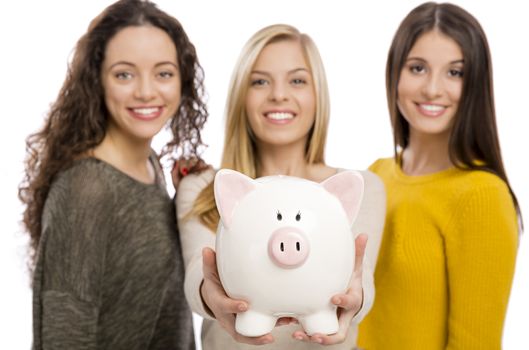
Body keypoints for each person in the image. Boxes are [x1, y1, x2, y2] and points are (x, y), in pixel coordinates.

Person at [176, 24, 385, 349]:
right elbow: (195, 275)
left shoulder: (359, 187)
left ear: (318, 95)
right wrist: (211, 294)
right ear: (241, 95)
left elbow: (362, 282)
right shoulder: (204, 186)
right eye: (259, 81)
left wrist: (353, 301)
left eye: (297, 80)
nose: (278, 94)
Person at [18, 0, 208, 348]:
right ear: (97, 82)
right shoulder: (86, 189)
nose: (146, 91)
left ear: (181, 81)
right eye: (124, 74)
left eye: (163, 73)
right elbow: (65, 335)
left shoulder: (149, 166)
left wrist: (185, 199)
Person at [357, 2, 522, 349]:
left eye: (455, 73)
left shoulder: (481, 195)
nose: (433, 89)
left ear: (475, 84)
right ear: (394, 72)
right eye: (418, 68)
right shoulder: (376, 175)